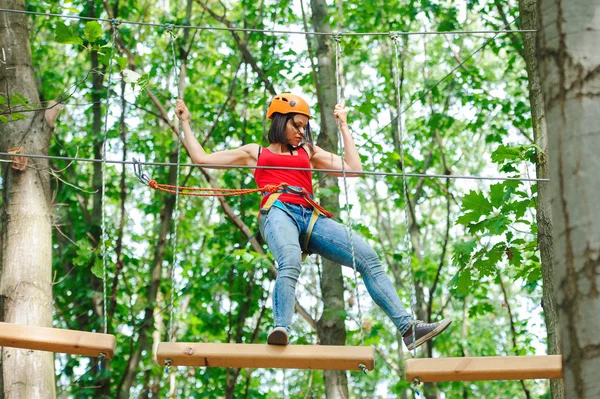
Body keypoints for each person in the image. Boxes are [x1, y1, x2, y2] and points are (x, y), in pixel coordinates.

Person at [175, 94, 451, 350]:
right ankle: (280, 328)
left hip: (310, 216)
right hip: (278, 211)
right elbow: (202, 159)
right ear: (280, 121)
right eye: (296, 125)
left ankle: (407, 329)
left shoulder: (308, 151)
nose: (300, 131)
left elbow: (354, 169)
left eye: (304, 127)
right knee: (290, 259)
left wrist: (343, 126)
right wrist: (185, 123)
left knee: (367, 256)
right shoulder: (255, 153)